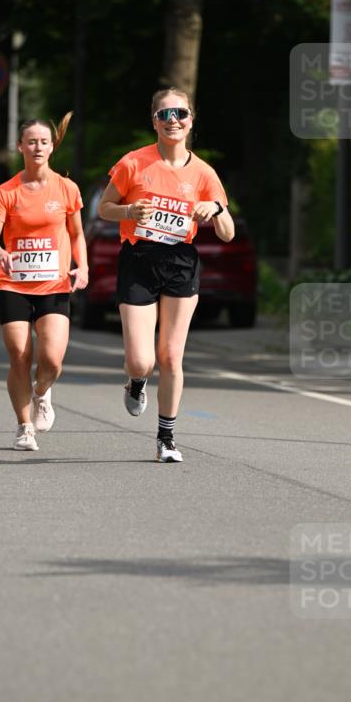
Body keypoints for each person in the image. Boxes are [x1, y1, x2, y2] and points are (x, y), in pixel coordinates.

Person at [98, 88, 235, 462]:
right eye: (164, 114)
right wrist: (128, 213)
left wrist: (215, 207)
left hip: (180, 263)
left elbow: (228, 232)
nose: (173, 120)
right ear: (154, 121)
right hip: (139, 260)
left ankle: (166, 438)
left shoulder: (204, 172)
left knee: (172, 357)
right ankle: (137, 381)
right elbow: (105, 207)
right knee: (143, 360)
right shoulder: (133, 164)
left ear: (191, 119)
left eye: (180, 113)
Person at [0, 114, 88, 451]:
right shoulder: (6, 191)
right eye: (31, 141)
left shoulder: (66, 188)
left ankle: (42, 392)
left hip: (54, 285)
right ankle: (24, 426)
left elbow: (77, 234)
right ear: (20, 146)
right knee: (19, 356)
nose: (37, 147)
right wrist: (0, 252)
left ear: (52, 146)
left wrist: (81, 267)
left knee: (52, 360)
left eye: (43, 141)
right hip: (13, 283)